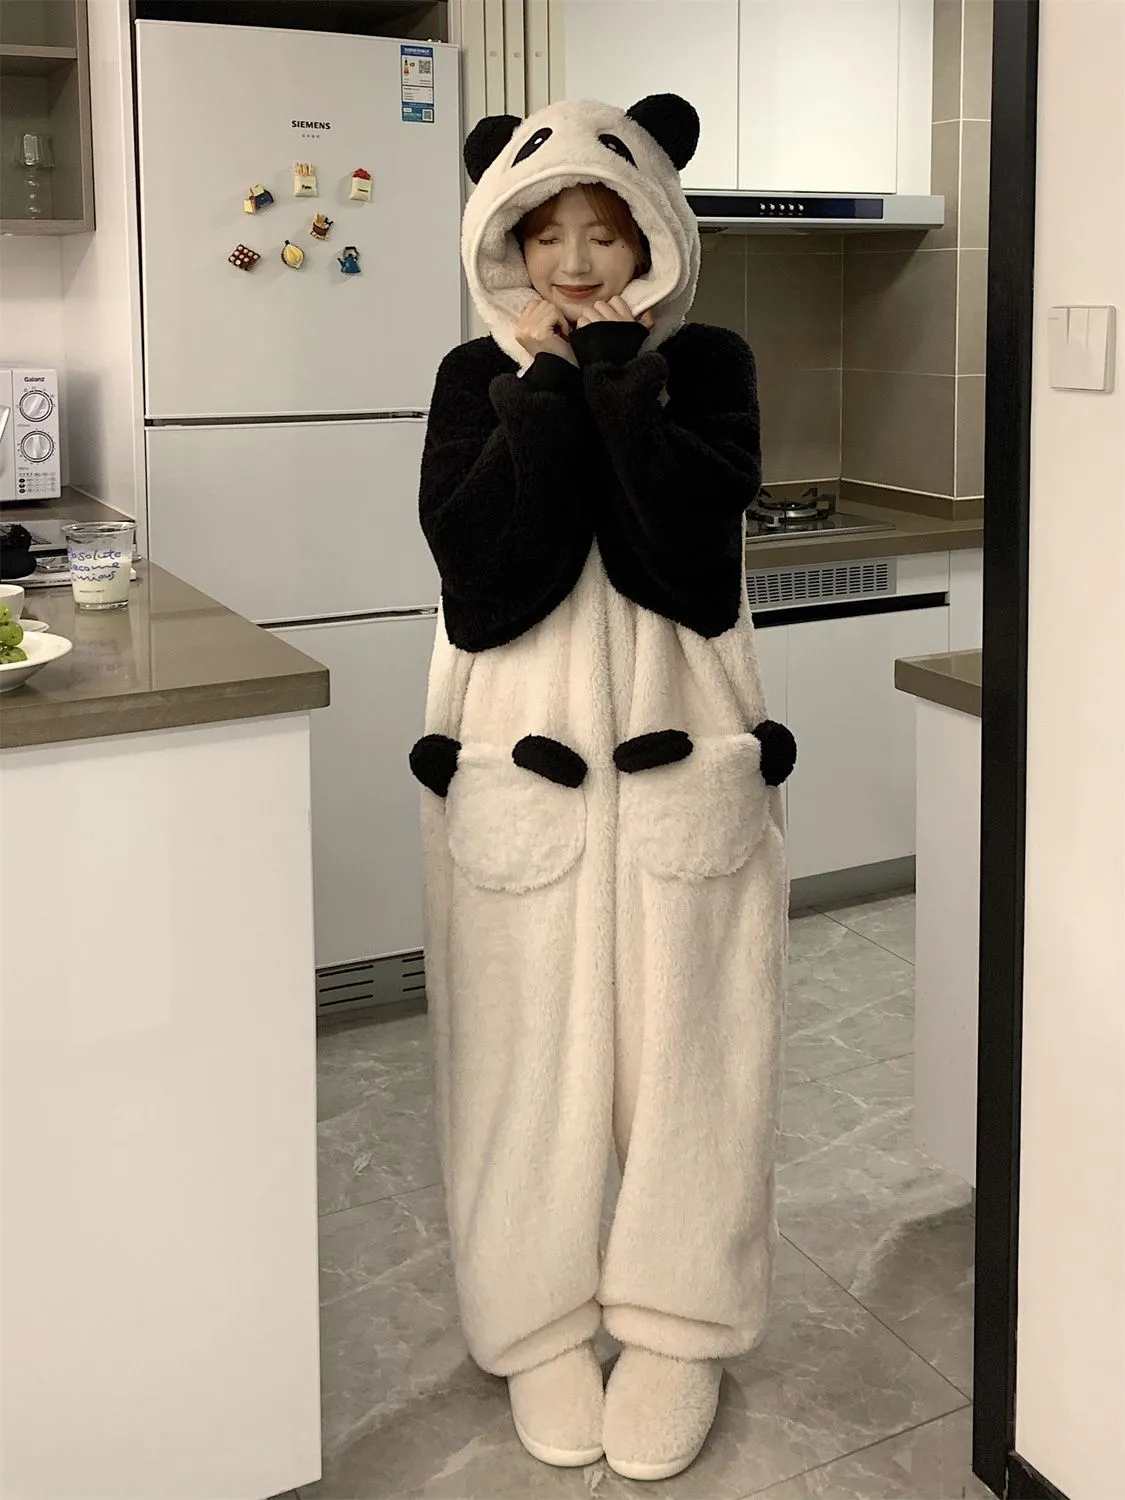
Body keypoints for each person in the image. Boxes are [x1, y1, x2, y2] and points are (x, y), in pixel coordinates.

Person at [409, 93, 796, 1482]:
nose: (575, 261)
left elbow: (681, 562)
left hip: (687, 755)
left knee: (701, 1051)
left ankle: (683, 1327)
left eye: (607, 231)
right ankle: (536, 1322)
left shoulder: (715, 363)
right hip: (518, 766)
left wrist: (622, 376)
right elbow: (489, 578)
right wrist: (548, 390)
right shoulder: (473, 376)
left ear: (655, 236)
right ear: (504, 242)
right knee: (518, 1057)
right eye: (546, 233)